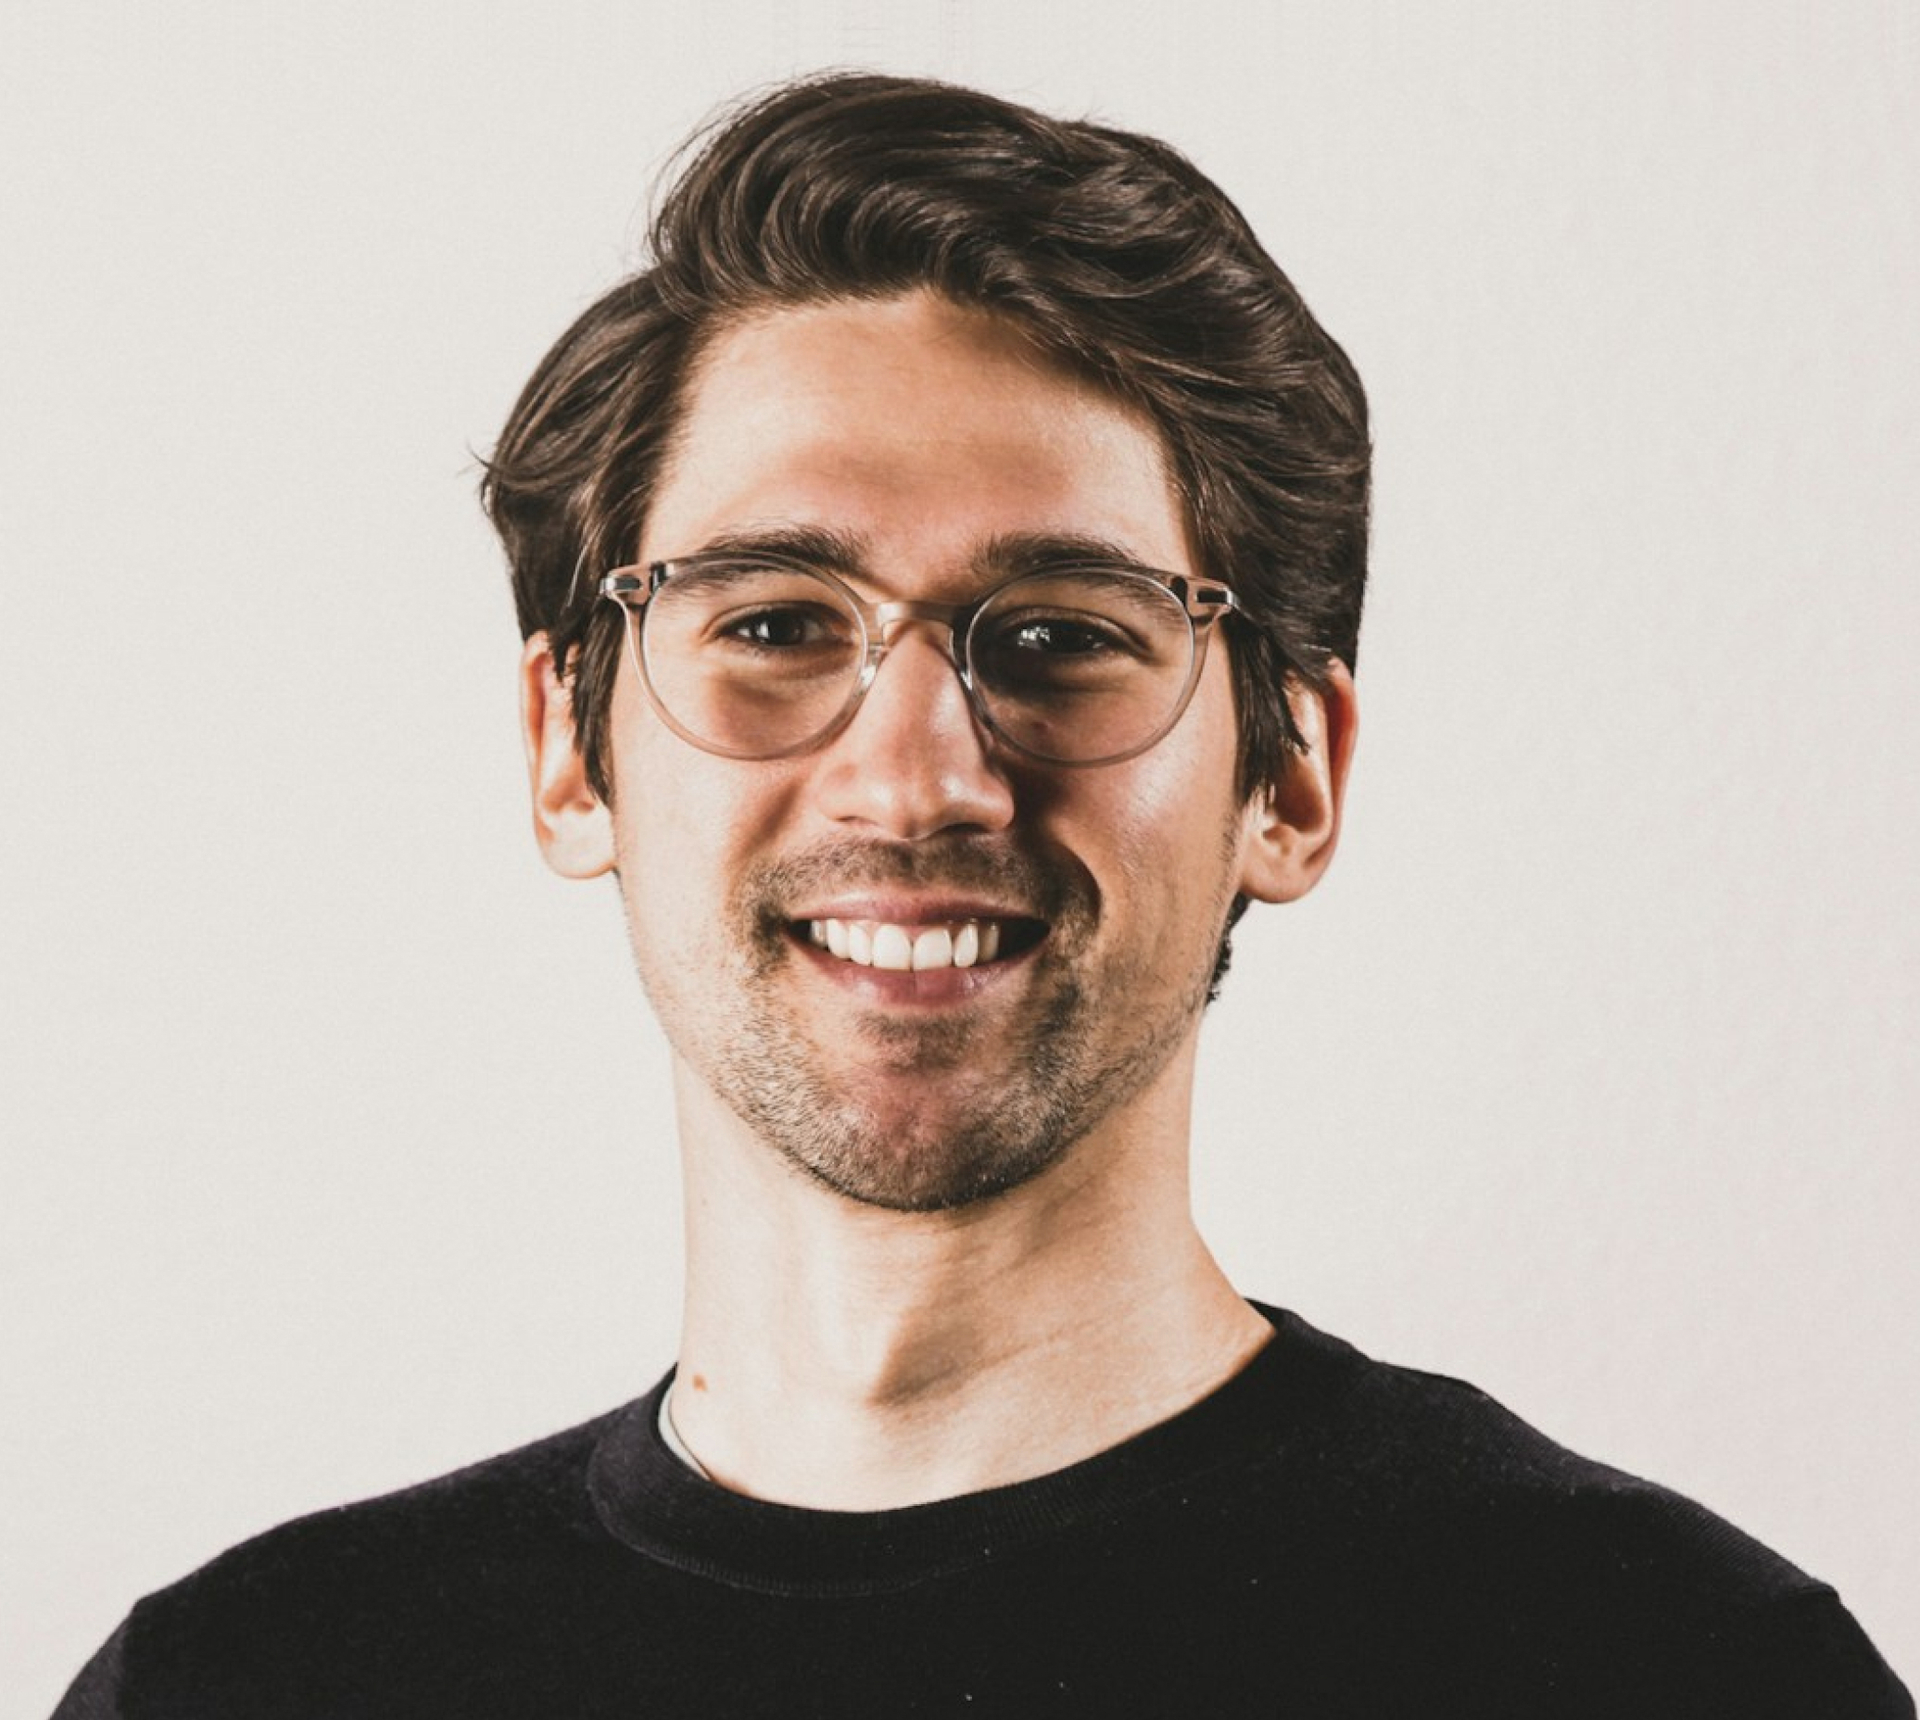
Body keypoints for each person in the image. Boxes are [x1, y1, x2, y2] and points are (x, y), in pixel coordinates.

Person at [55, 72, 1909, 1719]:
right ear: (568, 747)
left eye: (1065, 634)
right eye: (774, 623)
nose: (919, 775)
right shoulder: (242, 1683)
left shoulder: (1674, 1674)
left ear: (1290, 777)